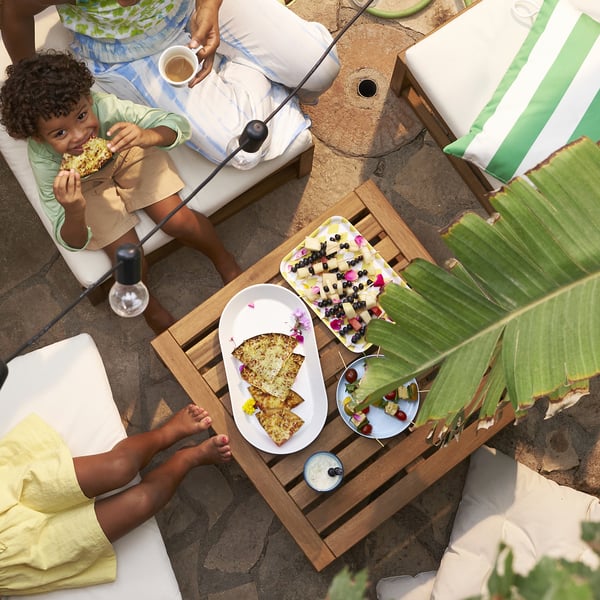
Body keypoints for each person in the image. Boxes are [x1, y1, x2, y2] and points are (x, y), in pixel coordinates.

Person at [0, 51, 242, 334]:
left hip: (127, 153)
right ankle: (149, 307)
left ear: (89, 99)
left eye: (81, 115)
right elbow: (72, 241)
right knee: (128, 256)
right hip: (84, 189)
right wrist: (74, 210)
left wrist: (147, 135)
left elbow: (178, 126)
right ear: (39, 138)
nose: (80, 135)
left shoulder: (105, 108)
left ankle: (224, 260)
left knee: (179, 221)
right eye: (60, 134)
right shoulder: (44, 161)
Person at [1, 0, 340, 168]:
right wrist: (33, 89)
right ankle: (251, 70)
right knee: (243, 150)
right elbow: (12, 11)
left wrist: (209, 6)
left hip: (192, 7)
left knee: (320, 69)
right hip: (129, 51)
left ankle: (247, 71)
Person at [0, 404, 232, 595]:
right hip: (17, 557)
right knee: (141, 502)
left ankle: (166, 434)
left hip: (6, 494)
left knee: (119, 467)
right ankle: (188, 459)